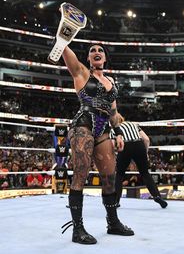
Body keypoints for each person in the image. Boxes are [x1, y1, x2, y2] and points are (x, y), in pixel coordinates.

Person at [61, 44, 134, 245]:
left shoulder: (111, 81)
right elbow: (68, 57)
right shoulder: (82, 73)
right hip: (83, 125)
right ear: (88, 58)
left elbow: (113, 112)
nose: (96, 52)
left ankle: (113, 223)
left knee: (110, 177)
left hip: (104, 130)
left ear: (105, 58)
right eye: (92, 50)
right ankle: (78, 229)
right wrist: (63, 39)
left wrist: (119, 132)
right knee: (80, 174)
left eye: (100, 50)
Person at [114, 114, 168, 209]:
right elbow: (146, 139)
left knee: (119, 175)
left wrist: (116, 155)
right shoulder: (133, 124)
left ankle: (116, 201)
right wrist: (145, 153)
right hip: (139, 145)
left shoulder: (115, 128)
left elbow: (113, 145)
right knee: (145, 173)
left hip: (125, 146)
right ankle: (157, 196)